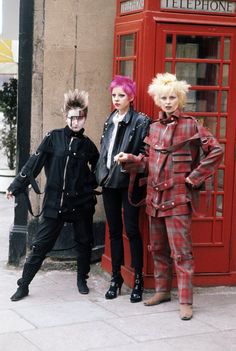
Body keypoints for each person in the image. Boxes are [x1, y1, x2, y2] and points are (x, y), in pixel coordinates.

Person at [114, 73, 223, 319]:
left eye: (173, 97)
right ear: (157, 99)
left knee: (182, 253)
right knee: (158, 249)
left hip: (179, 199)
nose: (168, 102)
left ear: (180, 98)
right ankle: (163, 290)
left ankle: (186, 301)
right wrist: (130, 160)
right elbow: (146, 161)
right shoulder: (152, 127)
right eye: (164, 98)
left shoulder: (192, 125)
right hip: (154, 198)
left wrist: (194, 178)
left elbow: (216, 150)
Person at [7, 89, 99, 301]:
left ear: (85, 118)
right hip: (55, 203)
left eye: (80, 117)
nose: (76, 122)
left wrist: (89, 185)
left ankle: (81, 280)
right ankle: (24, 285)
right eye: (72, 117)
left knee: (84, 242)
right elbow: (34, 163)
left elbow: (98, 169)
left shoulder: (88, 145)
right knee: (41, 244)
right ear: (65, 116)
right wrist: (16, 185)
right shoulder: (53, 138)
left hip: (80, 203)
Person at [96, 75, 151, 303]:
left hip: (127, 181)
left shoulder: (140, 121)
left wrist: (129, 157)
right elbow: (104, 150)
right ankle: (116, 277)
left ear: (131, 97)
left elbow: (146, 154)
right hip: (109, 181)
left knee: (133, 230)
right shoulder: (110, 119)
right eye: (114, 95)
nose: (116, 99)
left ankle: (138, 279)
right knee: (114, 232)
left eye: (121, 95)